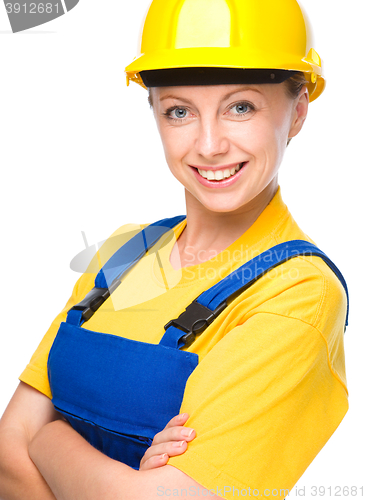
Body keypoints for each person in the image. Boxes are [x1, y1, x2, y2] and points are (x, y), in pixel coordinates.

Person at [0, 0, 349, 499]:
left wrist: (51, 437)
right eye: (179, 111)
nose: (208, 145)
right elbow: (6, 454)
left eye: (241, 106)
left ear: (297, 112)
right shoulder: (128, 252)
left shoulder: (296, 294)